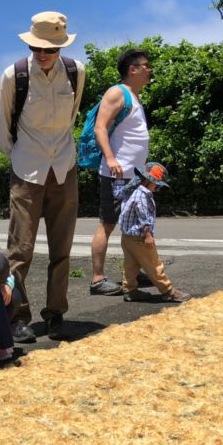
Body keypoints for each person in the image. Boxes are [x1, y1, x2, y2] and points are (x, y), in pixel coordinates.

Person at [0, 11, 85, 343]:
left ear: (62, 47)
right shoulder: (13, 75)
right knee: (20, 248)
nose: (43, 54)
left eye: (50, 48)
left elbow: (72, 115)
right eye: (37, 48)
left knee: (63, 246)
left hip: (64, 165)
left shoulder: (76, 72)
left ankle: (56, 313)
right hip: (26, 169)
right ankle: (17, 315)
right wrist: (18, 156)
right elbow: (2, 125)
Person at [89, 49, 153, 296]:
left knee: (134, 225)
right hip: (117, 173)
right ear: (132, 69)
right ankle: (97, 280)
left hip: (134, 175)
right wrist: (110, 158)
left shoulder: (134, 97)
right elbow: (100, 128)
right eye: (145, 66)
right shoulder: (118, 92)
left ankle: (133, 274)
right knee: (108, 223)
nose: (149, 70)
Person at [118, 162, 191, 303]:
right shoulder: (143, 195)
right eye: (157, 184)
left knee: (130, 265)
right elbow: (143, 216)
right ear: (149, 181)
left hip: (127, 237)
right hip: (140, 237)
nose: (157, 188)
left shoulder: (133, 190)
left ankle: (130, 290)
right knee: (154, 264)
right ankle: (168, 291)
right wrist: (148, 235)